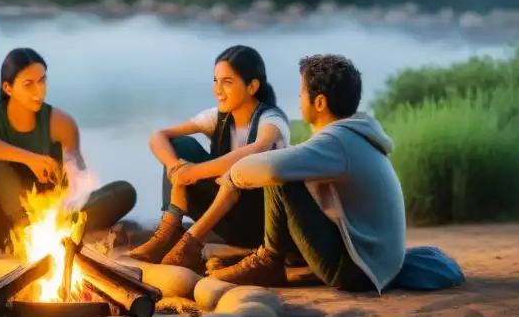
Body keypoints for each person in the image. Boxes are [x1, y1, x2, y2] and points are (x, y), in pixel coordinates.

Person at [209, 54, 406, 293]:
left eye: (302, 93)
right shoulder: (352, 135)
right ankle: (274, 256)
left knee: (282, 174)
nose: (299, 98)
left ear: (320, 102)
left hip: (358, 270)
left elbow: (271, 167)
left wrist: (231, 176)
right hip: (375, 260)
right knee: (289, 168)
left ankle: (268, 261)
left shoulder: (338, 141)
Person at [127, 45, 290, 273]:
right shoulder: (218, 117)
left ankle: (191, 243)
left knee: (235, 174)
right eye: (215, 80)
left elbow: (258, 148)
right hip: (226, 217)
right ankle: (170, 231)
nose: (218, 90)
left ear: (252, 86)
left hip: (260, 222)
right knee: (179, 146)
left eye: (227, 82)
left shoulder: (272, 119)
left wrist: (194, 172)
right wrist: (177, 167)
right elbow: (158, 136)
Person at [0, 47, 138, 250]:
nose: (39, 90)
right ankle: (24, 233)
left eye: (42, 80)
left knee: (124, 191)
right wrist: (30, 159)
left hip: (46, 216)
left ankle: (54, 234)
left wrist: (67, 189)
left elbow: (78, 176)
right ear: (8, 88)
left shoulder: (60, 123)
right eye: (28, 84)